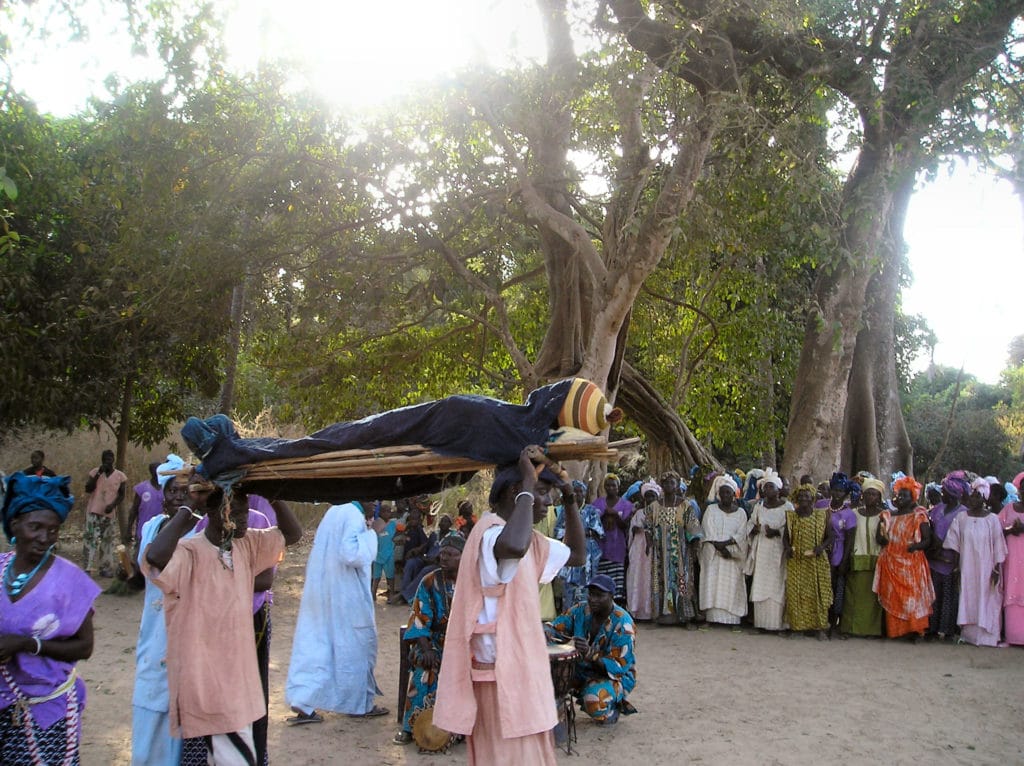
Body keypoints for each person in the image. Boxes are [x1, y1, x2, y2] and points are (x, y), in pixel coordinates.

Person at [434, 445, 586, 765]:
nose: (546, 502)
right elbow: (514, 547)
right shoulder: (490, 534)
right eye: (542, 493)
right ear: (518, 492)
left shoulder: (529, 540)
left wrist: (570, 498)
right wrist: (529, 486)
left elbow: (576, 555)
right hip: (496, 676)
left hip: (518, 670)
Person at [143, 477, 302, 765]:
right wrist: (190, 507)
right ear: (214, 514)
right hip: (204, 678)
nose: (244, 518)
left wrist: (275, 496)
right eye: (236, 512)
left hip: (236, 677)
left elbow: (292, 534)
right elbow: (155, 556)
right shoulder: (190, 551)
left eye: (244, 510)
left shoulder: (246, 545)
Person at [0, 471, 100, 765]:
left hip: (46, 711)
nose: (45, 538)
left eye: (53, 530)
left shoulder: (70, 580)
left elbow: (85, 647)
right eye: (35, 527)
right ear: (14, 524)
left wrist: (26, 645)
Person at [285, 501, 389, 722]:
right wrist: (373, 532)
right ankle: (359, 705)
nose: (376, 507)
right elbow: (352, 555)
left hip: (324, 591)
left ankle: (303, 702)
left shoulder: (334, 511)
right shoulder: (353, 515)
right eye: (375, 502)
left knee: (317, 646)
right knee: (358, 647)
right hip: (347, 596)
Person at [131, 459, 195, 766]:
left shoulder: (200, 531)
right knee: (151, 702)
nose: (179, 497)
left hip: (186, 635)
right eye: (173, 490)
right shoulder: (152, 527)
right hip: (154, 632)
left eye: (186, 491)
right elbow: (153, 561)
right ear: (162, 493)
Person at [393, 534, 465, 745]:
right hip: (433, 639)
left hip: (462, 642)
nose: (444, 557)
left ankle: (460, 729)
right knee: (425, 667)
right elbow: (418, 619)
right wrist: (426, 649)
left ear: (463, 557)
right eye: (443, 553)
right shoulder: (429, 581)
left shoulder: (472, 581)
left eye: (451, 554)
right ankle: (411, 727)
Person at [543, 574, 637, 725]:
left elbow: (618, 667)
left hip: (614, 676)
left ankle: (612, 709)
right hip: (581, 669)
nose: (593, 599)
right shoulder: (580, 610)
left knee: (594, 700)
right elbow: (556, 628)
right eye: (591, 594)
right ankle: (560, 710)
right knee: (548, 673)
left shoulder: (623, 624)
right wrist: (544, 632)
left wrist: (589, 654)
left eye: (599, 596)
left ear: (612, 596)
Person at [943, 479, 1007, 646]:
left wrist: (996, 570)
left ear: (984, 498)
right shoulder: (961, 518)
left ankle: (988, 636)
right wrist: (957, 568)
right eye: (971, 496)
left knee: (987, 597)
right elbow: (955, 544)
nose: (972, 499)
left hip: (987, 567)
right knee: (969, 596)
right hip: (967, 567)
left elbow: (998, 546)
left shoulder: (992, 519)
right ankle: (969, 635)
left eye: (977, 496)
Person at [873, 474, 934, 640]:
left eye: (904, 495)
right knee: (894, 597)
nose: (900, 498)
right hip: (892, 562)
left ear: (913, 497)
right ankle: (896, 631)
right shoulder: (888, 516)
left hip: (912, 564)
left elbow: (928, 540)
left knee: (912, 599)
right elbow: (880, 539)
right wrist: (883, 537)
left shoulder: (919, 515)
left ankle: (914, 631)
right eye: (899, 494)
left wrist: (914, 547)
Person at [651, 471, 702, 626]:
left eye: (672, 483)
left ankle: (685, 616)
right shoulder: (655, 506)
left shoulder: (685, 505)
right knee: (662, 580)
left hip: (681, 552)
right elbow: (647, 526)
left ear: (677, 484)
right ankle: (665, 615)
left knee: (683, 581)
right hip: (661, 553)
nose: (669, 486)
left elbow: (694, 529)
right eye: (665, 483)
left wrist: (693, 547)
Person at [784, 484, 835, 639]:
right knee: (796, 594)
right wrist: (787, 549)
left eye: (807, 496)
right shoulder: (791, 516)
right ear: (796, 499)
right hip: (797, 561)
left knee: (818, 594)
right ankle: (797, 628)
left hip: (817, 562)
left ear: (813, 499)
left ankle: (819, 628)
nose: (804, 499)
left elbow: (830, 536)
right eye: (801, 496)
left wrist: (821, 547)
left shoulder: (821, 515)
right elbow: (785, 537)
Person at [698, 474, 749, 626]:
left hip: (732, 555)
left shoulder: (741, 513)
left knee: (731, 585)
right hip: (713, 553)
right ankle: (711, 618)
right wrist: (718, 546)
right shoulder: (711, 510)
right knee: (712, 583)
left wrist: (727, 546)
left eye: (728, 492)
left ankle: (733, 619)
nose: (725, 495)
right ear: (718, 495)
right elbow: (708, 530)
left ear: (734, 495)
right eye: (722, 492)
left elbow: (741, 534)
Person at [839, 477, 886, 637]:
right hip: (856, 558)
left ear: (879, 497)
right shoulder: (853, 514)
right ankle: (850, 629)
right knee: (853, 595)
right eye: (867, 494)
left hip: (876, 559)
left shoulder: (884, 516)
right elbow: (847, 538)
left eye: (874, 494)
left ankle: (871, 630)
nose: (870, 497)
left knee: (873, 599)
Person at [746, 471, 790, 632]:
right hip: (762, 549)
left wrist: (778, 532)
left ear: (778, 490)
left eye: (771, 487)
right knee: (760, 584)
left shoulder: (787, 507)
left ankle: (776, 624)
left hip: (778, 550)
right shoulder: (759, 507)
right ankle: (760, 623)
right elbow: (750, 524)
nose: (767, 490)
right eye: (765, 487)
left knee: (776, 585)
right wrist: (754, 530)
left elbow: (791, 528)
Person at [927, 471, 969, 640]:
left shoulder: (963, 513)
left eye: (944, 492)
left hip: (951, 560)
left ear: (952, 495)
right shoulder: (937, 510)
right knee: (933, 596)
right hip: (934, 559)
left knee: (949, 597)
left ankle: (948, 630)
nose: (941, 494)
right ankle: (932, 629)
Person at [554, 480, 603, 611]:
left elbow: (598, 531)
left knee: (586, 586)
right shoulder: (566, 511)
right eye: (575, 491)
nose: (578, 494)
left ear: (585, 493)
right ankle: (568, 618)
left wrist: (578, 532)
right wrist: (578, 532)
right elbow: (558, 531)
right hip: (570, 550)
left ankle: (585, 616)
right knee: (569, 586)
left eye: (580, 491)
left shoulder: (592, 510)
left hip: (588, 553)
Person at [819, 473, 857, 635]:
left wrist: (844, 560)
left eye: (841, 491)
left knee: (835, 587)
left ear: (846, 494)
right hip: (820, 550)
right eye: (834, 490)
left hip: (838, 551)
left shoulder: (849, 514)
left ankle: (833, 623)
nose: (837, 494)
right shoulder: (821, 505)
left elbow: (849, 539)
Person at [82, 449, 128, 577]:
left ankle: (105, 567)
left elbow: (121, 495)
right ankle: (88, 567)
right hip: (93, 510)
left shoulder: (120, 476)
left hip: (109, 512)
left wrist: (113, 505)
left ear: (113, 460)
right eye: (105, 459)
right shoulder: (95, 472)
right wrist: (98, 474)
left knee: (107, 541)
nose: (107, 462)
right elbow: (88, 488)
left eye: (109, 459)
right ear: (102, 461)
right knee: (90, 539)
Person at [593, 473, 633, 602]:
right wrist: (605, 515)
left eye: (613, 485)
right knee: (601, 580)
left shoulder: (626, 505)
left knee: (616, 582)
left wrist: (615, 515)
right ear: (604, 486)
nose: (610, 488)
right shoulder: (598, 503)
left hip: (618, 548)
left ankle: (616, 606)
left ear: (618, 487)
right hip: (601, 548)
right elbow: (593, 524)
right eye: (608, 485)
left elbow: (625, 526)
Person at [998, 474, 1024, 644]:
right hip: (1012, 560)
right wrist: (1010, 530)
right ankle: (1013, 636)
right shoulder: (1008, 508)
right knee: (1011, 591)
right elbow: (997, 529)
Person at [625, 482, 657, 620]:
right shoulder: (638, 513)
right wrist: (636, 530)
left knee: (650, 578)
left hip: (653, 550)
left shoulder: (660, 513)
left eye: (653, 496)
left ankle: (651, 612)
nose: (650, 499)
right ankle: (636, 610)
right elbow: (632, 530)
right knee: (636, 576)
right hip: (638, 549)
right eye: (648, 496)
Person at [126, 461, 164, 549]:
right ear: (151, 471)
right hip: (143, 531)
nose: (157, 472)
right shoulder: (142, 488)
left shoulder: (166, 488)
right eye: (155, 470)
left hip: (161, 531)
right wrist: (129, 529)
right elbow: (134, 510)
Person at [371, 503, 399, 601]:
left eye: (389, 512)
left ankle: (391, 593)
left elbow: (396, 536)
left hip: (389, 553)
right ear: (380, 513)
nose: (388, 514)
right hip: (378, 553)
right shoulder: (376, 523)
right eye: (385, 511)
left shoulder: (392, 524)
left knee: (390, 575)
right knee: (376, 576)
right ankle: (373, 592)